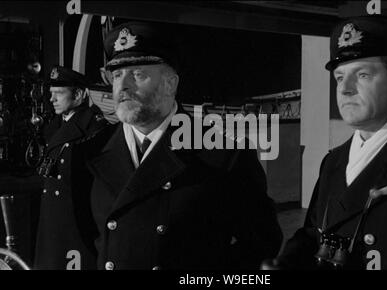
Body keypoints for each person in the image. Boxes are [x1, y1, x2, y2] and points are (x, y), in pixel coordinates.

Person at [75, 22, 282, 270]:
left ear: (170, 84)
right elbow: (85, 243)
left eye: (138, 74)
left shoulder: (222, 154)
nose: (123, 86)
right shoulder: (91, 152)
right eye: (117, 75)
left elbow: (262, 243)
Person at [274, 16, 387, 270]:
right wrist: (284, 263)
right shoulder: (333, 161)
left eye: (363, 75)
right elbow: (315, 233)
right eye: (339, 77)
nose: (345, 89)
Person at [34, 66, 109, 270]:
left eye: (59, 94)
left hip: (76, 228)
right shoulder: (53, 128)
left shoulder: (95, 129)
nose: (52, 100)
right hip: (52, 223)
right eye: (51, 94)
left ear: (79, 95)